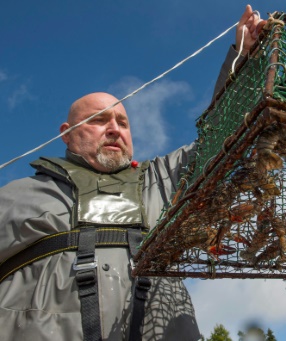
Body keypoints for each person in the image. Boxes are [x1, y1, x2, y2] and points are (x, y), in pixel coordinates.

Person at [0, 5, 265, 341]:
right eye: (99, 120)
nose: (114, 129)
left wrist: (243, 59)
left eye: (122, 123)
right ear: (66, 133)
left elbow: (222, 132)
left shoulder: (163, 181)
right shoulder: (14, 196)